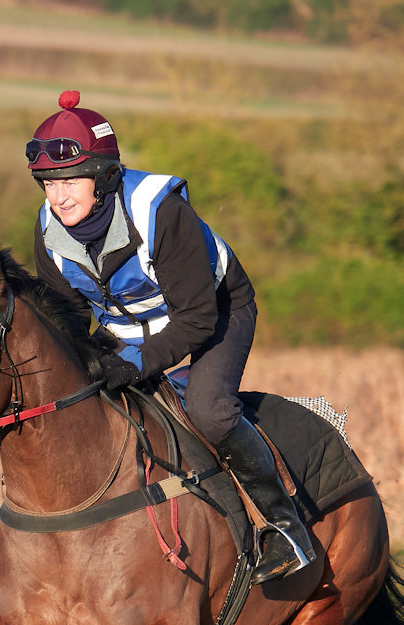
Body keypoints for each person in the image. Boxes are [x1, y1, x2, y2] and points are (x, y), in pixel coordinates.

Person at [25, 90, 313, 585]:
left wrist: (135, 365)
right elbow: (67, 318)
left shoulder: (161, 211)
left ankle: (285, 529)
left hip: (215, 313)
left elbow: (196, 319)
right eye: (49, 183)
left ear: (105, 177)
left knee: (209, 411)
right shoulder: (49, 229)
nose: (58, 197)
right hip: (129, 328)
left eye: (71, 181)